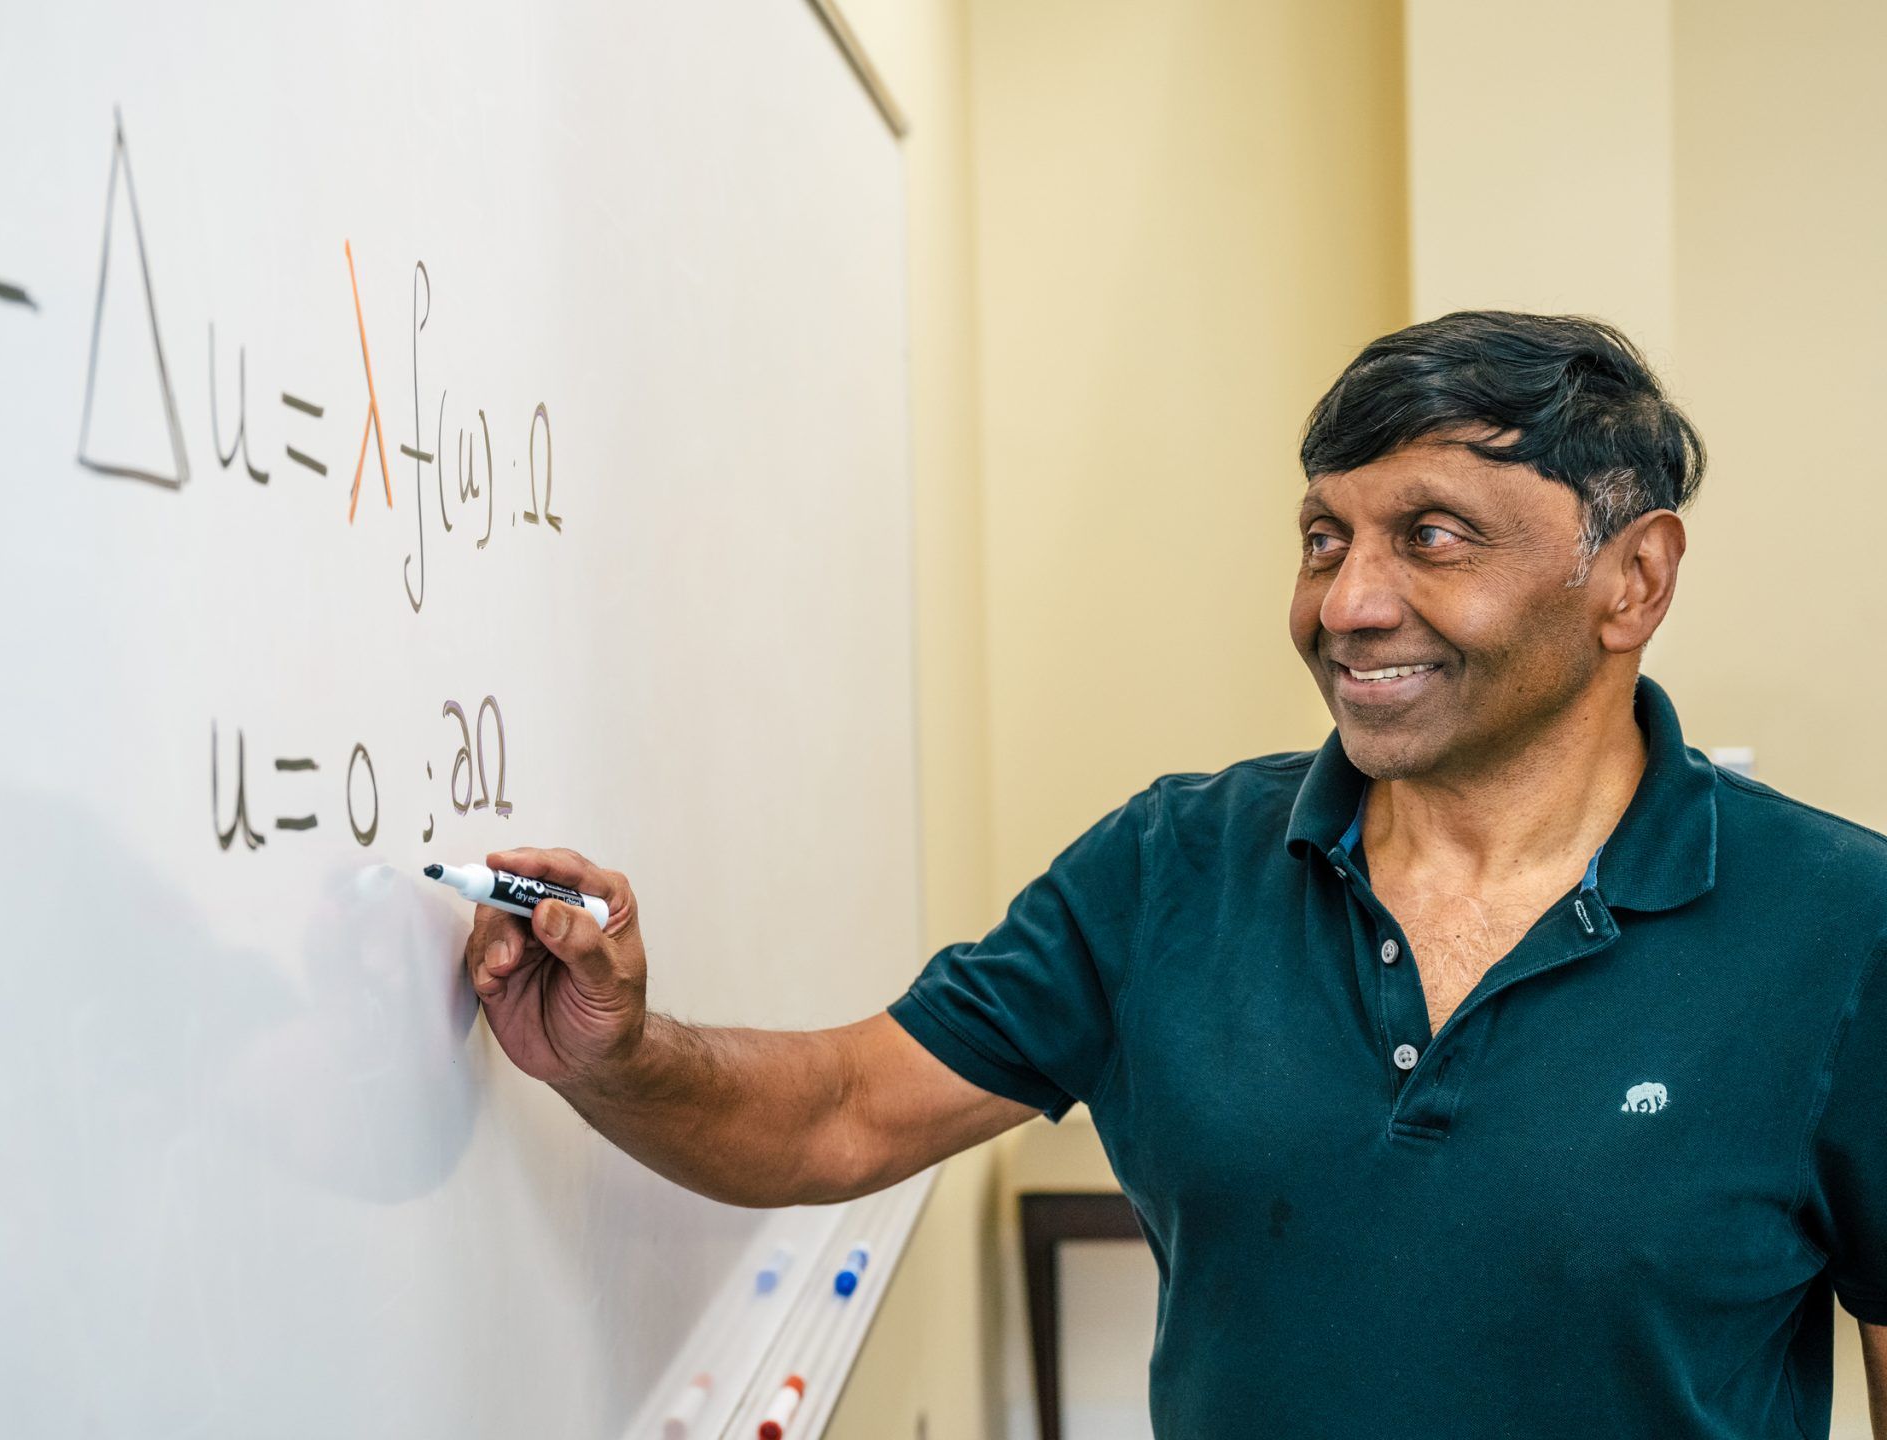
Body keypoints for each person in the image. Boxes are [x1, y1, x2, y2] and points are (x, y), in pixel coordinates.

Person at [460, 313, 1887, 1437]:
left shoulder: (1844, 930)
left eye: (1429, 537)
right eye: (1325, 538)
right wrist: (619, 1056)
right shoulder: (1171, 867)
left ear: (1633, 578)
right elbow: (841, 1117)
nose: (1347, 603)